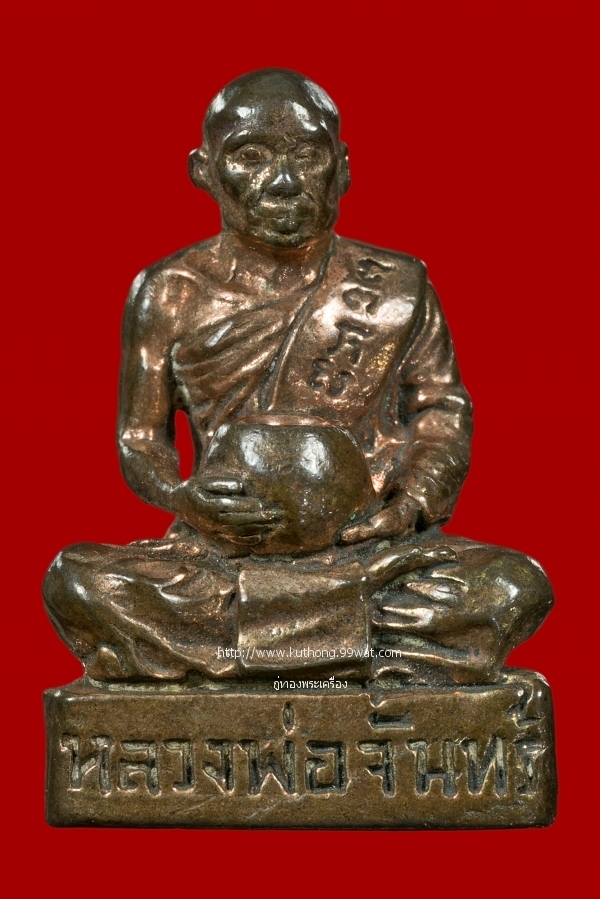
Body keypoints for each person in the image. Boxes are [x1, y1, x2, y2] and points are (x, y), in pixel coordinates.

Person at [43, 69, 553, 685]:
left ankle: (241, 655)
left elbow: (441, 410)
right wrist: (184, 500)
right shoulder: (170, 294)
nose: (283, 182)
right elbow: (140, 439)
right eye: (251, 157)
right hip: (220, 558)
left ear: (342, 168)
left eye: (307, 156)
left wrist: (412, 505)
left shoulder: (397, 286)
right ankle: (350, 653)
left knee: (513, 586)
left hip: (366, 554)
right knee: (76, 580)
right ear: (205, 171)